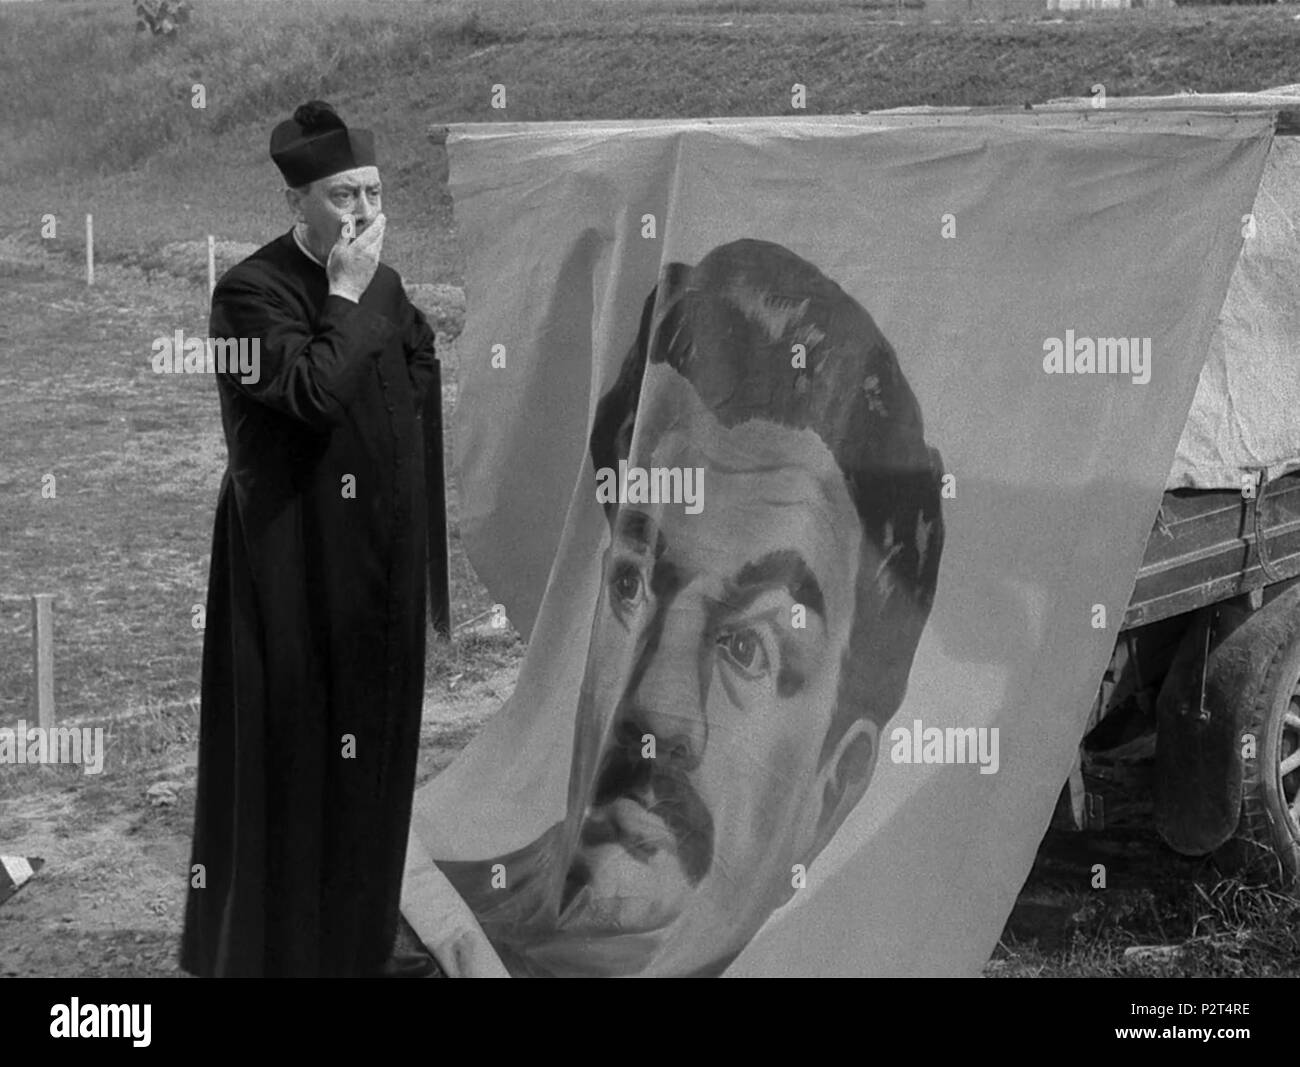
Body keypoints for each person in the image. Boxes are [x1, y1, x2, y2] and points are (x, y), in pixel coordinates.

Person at [411, 238, 947, 976]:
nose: (658, 712)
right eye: (632, 587)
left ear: (835, 784)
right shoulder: (421, 940)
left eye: (749, 646)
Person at [181, 100, 442, 977]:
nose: (363, 214)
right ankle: (283, 952)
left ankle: (356, 943)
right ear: (298, 203)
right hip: (292, 569)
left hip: (377, 563)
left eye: (371, 191)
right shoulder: (247, 295)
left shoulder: (385, 285)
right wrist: (344, 294)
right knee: (299, 757)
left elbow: (416, 373)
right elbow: (313, 393)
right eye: (341, 196)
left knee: (379, 754)